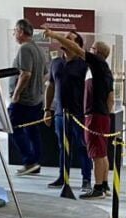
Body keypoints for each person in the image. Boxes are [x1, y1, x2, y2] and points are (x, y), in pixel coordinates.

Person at [44, 29, 114, 200]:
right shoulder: (98, 68)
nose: (90, 50)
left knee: (95, 152)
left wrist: (54, 34)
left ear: (97, 53)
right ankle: (103, 184)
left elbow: (110, 98)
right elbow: (110, 96)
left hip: (92, 115)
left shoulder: (96, 63)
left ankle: (96, 187)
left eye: (93, 49)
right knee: (100, 152)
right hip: (93, 114)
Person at [44, 31, 91, 192]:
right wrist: (47, 109)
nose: (63, 40)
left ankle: (86, 179)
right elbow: (50, 86)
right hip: (59, 113)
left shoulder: (84, 64)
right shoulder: (56, 62)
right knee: (62, 146)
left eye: (68, 38)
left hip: (79, 114)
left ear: (77, 44)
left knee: (83, 146)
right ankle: (63, 177)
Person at [8, 19, 47, 176]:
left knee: (13, 127)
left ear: (21, 32)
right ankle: (35, 162)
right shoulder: (38, 49)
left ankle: (29, 161)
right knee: (32, 130)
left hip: (24, 100)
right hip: (36, 99)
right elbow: (45, 74)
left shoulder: (25, 49)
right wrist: (37, 89)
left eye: (15, 31)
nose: (14, 34)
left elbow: (25, 74)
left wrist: (16, 94)